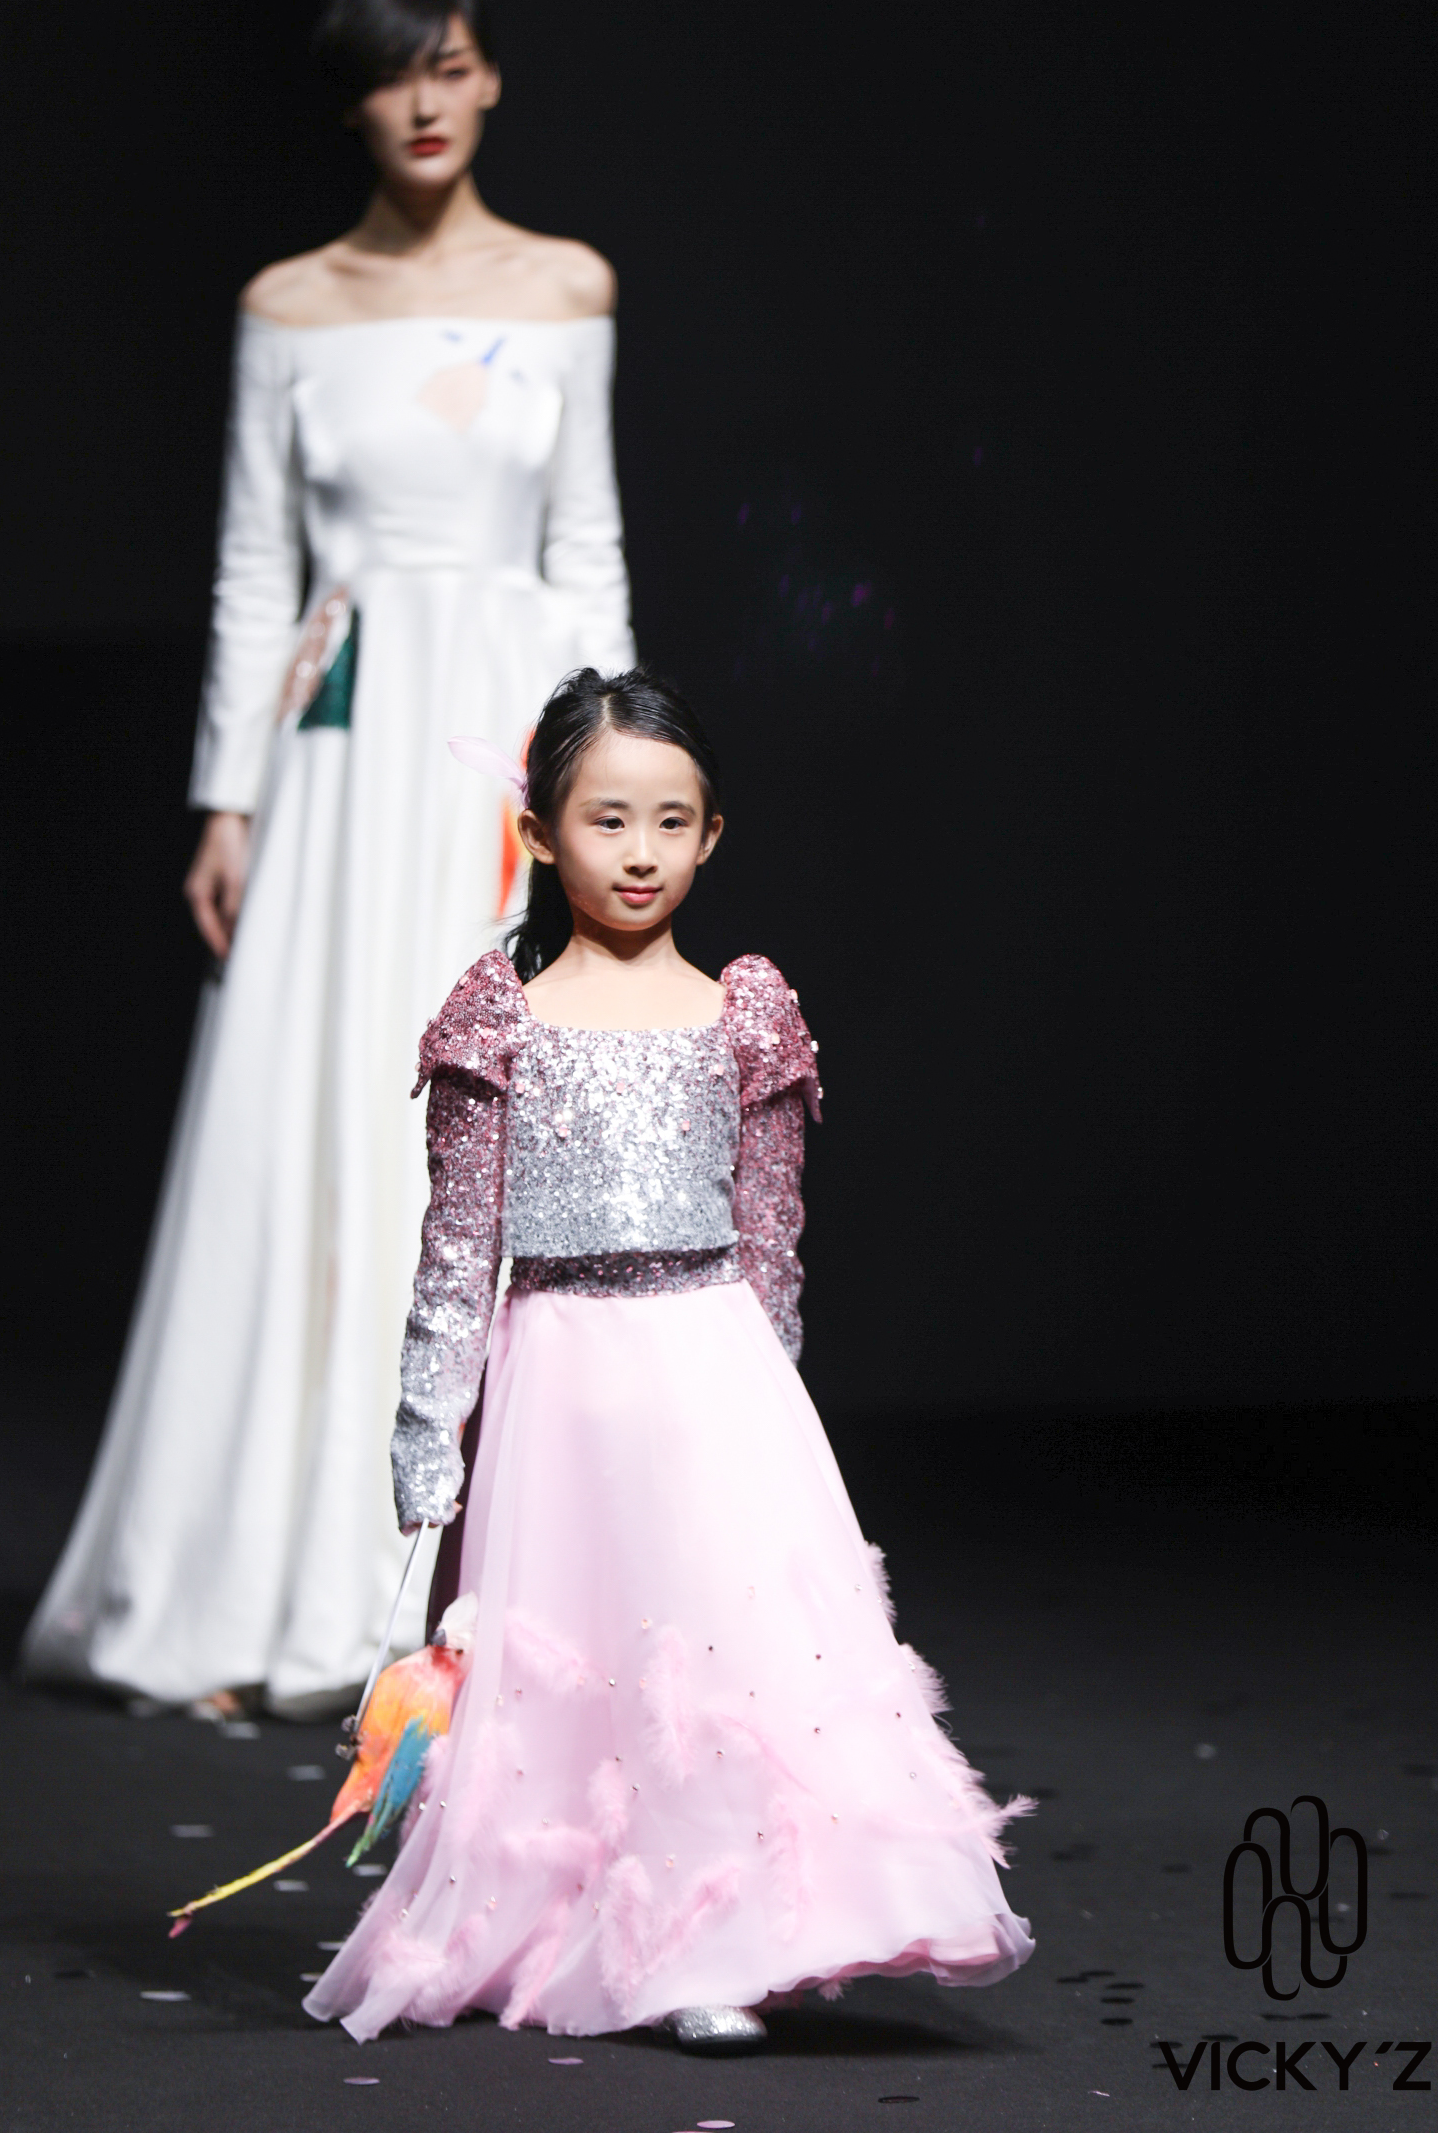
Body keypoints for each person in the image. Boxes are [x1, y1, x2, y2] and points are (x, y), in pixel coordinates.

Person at [21, 0, 634, 1717]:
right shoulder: (288, 305)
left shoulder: (566, 287)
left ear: (491, 81)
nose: (423, 102)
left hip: (496, 746)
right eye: (390, 76)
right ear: (352, 102)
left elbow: (586, 547)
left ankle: (487, 1592)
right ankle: (256, 1589)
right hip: (342, 758)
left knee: (483, 1123)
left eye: (451, 67)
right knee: (309, 1121)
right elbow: (251, 570)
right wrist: (226, 800)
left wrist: (606, 788)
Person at [304, 668, 1034, 2045]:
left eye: (670, 821)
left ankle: (723, 1939)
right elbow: (457, 1249)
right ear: (539, 833)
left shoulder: (742, 1011)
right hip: (561, 1380)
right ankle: (614, 1928)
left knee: (727, 1653)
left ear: (711, 835)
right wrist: (425, 1430)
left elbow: (771, 1235)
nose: (639, 852)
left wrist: (771, 1412)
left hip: (712, 1370)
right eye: (607, 819)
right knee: (590, 1663)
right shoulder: (499, 1018)